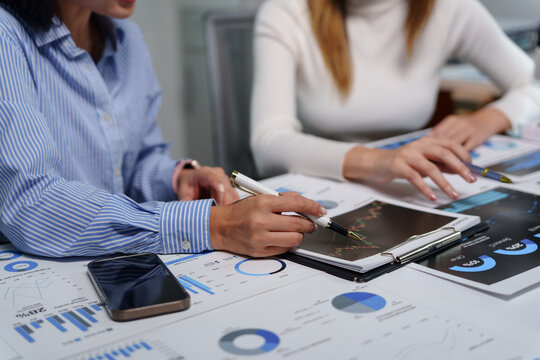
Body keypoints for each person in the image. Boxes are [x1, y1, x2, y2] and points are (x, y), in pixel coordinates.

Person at [0, 0, 325, 258]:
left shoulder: (127, 38)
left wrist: (174, 179)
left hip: (113, 263)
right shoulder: (7, 37)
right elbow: (31, 203)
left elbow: (131, 164)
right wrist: (214, 226)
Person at [250, 0, 540, 201]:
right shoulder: (286, 12)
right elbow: (268, 142)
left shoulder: (449, 8)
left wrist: (489, 119)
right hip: (324, 183)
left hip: (415, 187)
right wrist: (379, 160)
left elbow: (532, 84)